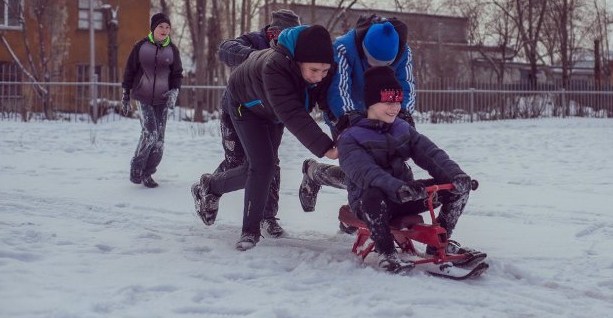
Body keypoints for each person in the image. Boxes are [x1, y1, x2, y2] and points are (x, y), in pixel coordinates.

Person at [190, 24, 339, 251]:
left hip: (272, 113)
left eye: (324, 71)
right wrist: (327, 147)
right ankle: (249, 232)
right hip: (245, 106)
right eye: (314, 70)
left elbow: (328, 102)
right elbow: (292, 113)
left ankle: (210, 186)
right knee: (262, 166)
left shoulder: (320, 69)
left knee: (264, 168)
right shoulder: (275, 67)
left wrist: (343, 128)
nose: (319, 77)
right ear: (297, 61)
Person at [337, 66, 478, 273]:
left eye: (397, 101)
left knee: (457, 189)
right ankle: (387, 254)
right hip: (370, 201)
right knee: (373, 196)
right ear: (371, 102)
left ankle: (438, 244)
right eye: (388, 102)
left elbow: (430, 154)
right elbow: (365, 172)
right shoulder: (351, 137)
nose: (395, 107)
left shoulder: (402, 128)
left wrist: (455, 175)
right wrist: (397, 187)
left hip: (406, 196)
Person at [190, 9, 301, 237]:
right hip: (237, 109)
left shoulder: (294, 49)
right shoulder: (255, 40)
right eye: (283, 36)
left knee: (270, 162)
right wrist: (254, 56)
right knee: (236, 162)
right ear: (272, 32)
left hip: (270, 112)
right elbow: (225, 49)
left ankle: (267, 217)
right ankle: (207, 188)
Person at [297, 14, 415, 216]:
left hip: (381, 113)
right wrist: (349, 119)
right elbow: (338, 89)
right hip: (344, 113)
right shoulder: (344, 48)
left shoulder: (403, 51)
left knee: (385, 168)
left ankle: (360, 209)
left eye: (385, 64)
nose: (378, 68)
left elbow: (406, 86)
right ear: (364, 50)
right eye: (373, 61)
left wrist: (403, 114)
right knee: (359, 170)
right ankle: (315, 173)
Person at [121, 12, 183, 188]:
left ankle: (148, 173)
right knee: (150, 134)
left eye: (167, 27)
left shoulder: (172, 50)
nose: (164, 30)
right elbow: (129, 72)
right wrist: (126, 95)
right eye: (161, 27)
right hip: (143, 97)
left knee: (159, 140)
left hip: (163, 99)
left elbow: (177, 75)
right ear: (153, 28)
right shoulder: (141, 47)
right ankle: (137, 168)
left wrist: (174, 91)